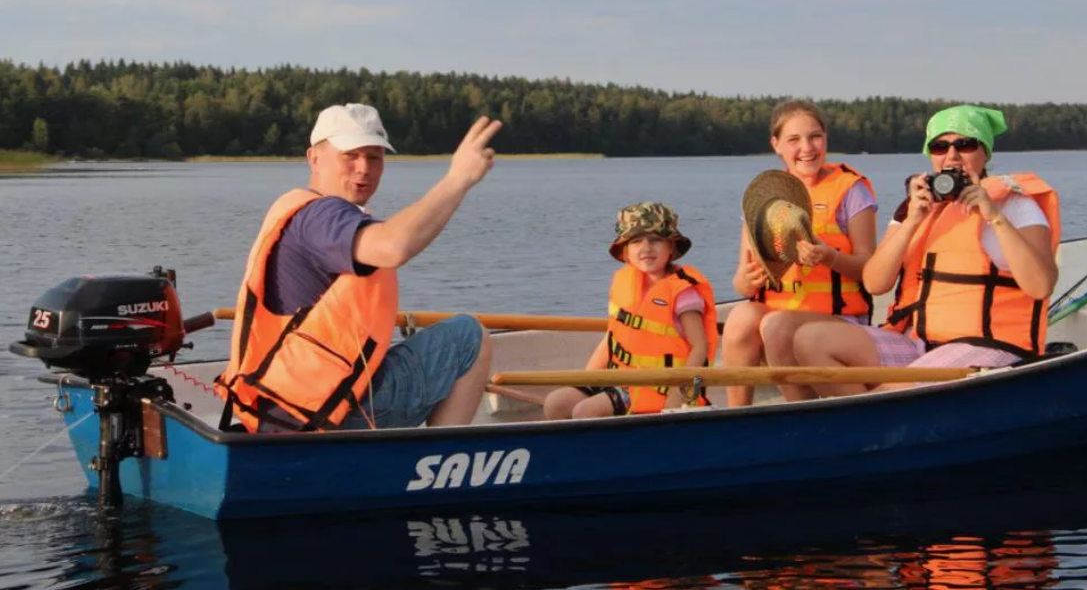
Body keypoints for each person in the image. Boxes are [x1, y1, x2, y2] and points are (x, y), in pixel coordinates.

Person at [215, 103, 503, 432]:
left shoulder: (294, 209)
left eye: (374, 157)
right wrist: (457, 180)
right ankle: (438, 467)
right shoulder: (323, 216)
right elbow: (393, 246)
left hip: (278, 407)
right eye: (350, 155)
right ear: (314, 159)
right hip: (330, 410)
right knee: (469, 337)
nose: (363, 168)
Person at [792, 105, 1061, 388]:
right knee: (810, 339)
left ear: (985, 152)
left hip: (989, 342)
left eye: (965, 145)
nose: (952, 155)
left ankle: (865, 420)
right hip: (917, 341)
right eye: (940, 147)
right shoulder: (915, 207)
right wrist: (911, 222)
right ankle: (864, 422)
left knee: (889, 391)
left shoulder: (1014, 205)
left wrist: (993, 215)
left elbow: (1041, 285)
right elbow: (874, 283)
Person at [722, 99, 878, 404]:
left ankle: (800, 409)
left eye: (815, 136)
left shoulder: (851, 189)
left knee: (774, 324)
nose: (807, 147)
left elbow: (870, 270)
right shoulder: (763, 198)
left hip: (838, 319)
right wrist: (747, 279)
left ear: (825, 138)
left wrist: (828, 256)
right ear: (776, 145)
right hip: (779, 315)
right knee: (741, 317)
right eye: (794, 139)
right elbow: (741, 285)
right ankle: (736, 414)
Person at [543, 202, 718, 419]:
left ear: (671, 248)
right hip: (621, 378)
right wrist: (588, 378)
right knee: (556, 403)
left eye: (655, 240)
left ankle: (601, 451)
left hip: (659, 386)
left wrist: (680, 393)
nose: (646, 248)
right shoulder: (625, 283)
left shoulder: (683, 292)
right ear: (626, 251)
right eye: (636, 241)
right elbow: (612, 338)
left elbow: (699, 348)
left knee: (585, 411)